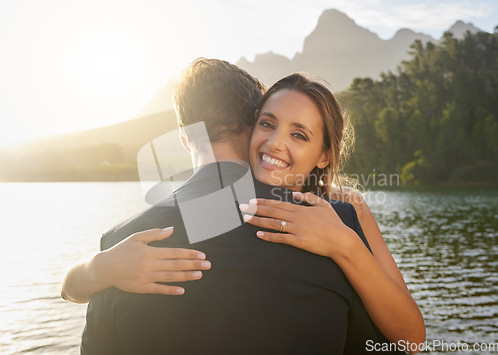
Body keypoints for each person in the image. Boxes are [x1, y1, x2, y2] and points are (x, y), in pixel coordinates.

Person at [69, 59, 424, 353]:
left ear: (184, 138)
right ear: (253, 124)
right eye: (268, 124)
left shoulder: (123, 244)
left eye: (298, 134)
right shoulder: (339, 218)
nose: (275, 143)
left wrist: (93, 271)